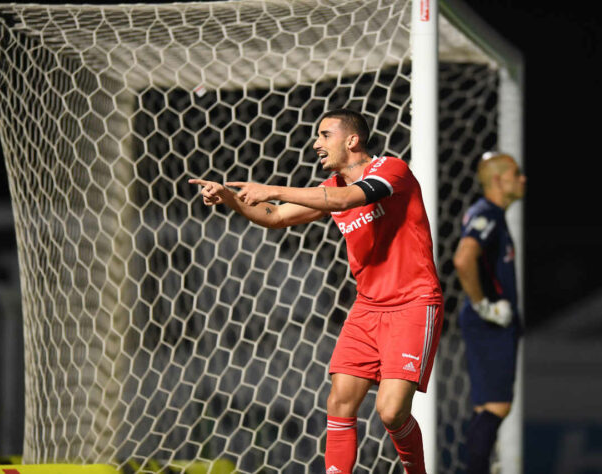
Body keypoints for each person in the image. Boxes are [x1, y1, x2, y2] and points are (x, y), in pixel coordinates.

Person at [189, 109, 443, 474]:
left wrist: (273, 188)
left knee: (390, 411)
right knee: (339, 402)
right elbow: (275, 217)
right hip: (367, 308)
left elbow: (347, 201)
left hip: (413, 304)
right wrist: (229, 197)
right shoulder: (332, 189)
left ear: (351, 140)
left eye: (325, 135)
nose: (316, 144)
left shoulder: (391, 170)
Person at [452, 151, 526, 473]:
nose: (522, 179)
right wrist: (485, 305)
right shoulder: (488, 214)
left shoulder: (491, 214)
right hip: (490, 321)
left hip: (489, 321)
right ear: (498, 179)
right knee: (496, 407)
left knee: (487, 409)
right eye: (516, 173)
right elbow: (463, 258)